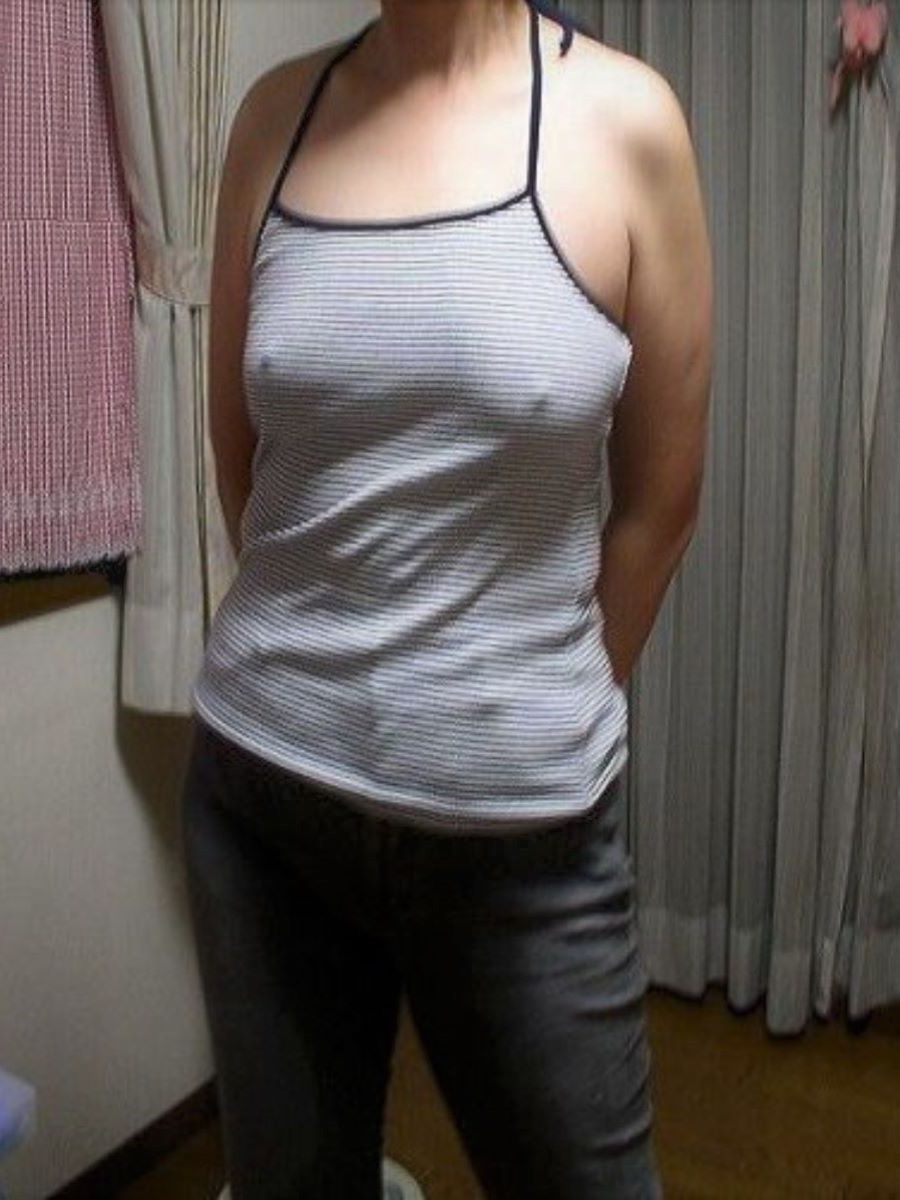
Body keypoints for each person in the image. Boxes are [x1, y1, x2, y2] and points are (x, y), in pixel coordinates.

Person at [180, 0, 713, 1197]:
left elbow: (659, 506)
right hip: (264, 810)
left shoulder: (626, 122)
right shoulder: (275, 117)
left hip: (524, 845)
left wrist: (519, 700)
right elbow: (244, 463)